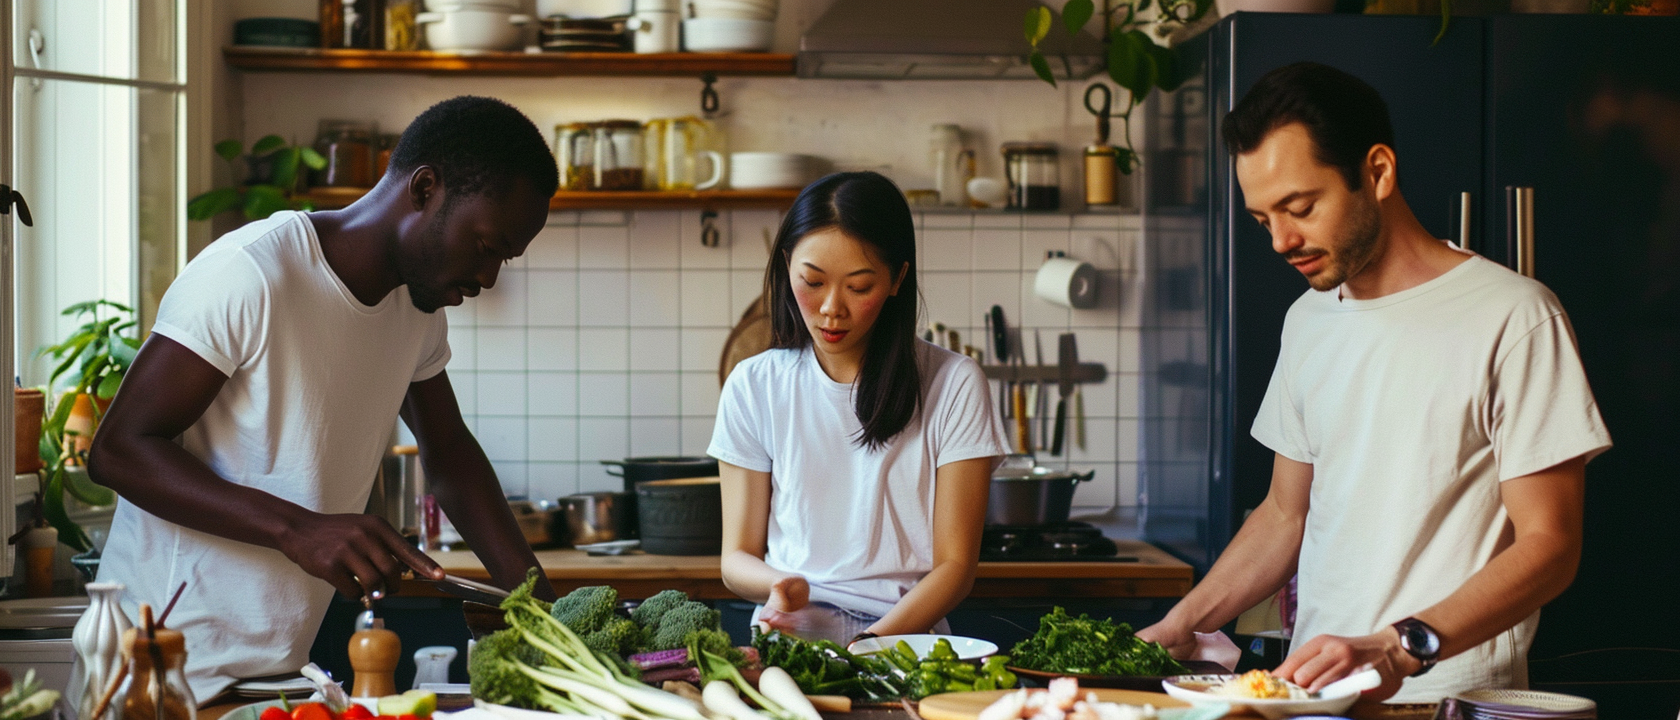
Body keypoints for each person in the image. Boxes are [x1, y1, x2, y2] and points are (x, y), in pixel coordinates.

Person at [1136, 63, 1612, 704]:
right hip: (1308, 698)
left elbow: (1551, 543)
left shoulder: (1514, 316)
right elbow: (1285, 514)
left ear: (1378, 172)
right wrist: (1184, 621)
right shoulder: (1308, 320)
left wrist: (1397, 645)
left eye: (1300, 207)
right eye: (1262, 220)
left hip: (1448, 701)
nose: (1281, 240)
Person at [86, 96, 561, 703]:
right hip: (156, 673)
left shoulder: (418, 310)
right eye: (487, 246)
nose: (489, 277)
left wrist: (548, 611)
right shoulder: (252, 271)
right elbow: (119, 450)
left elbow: (451, 458)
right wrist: (298, 529)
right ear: (425, 188)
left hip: (279, 677)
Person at [708, 172, 1008, 645]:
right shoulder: (754, 385)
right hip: (791, 630)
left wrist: (869, 643)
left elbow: (956, 566)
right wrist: (779, 586)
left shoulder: (953, 384)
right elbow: (735, 559)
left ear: (897, 280)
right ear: (787, 266)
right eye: (812, 281)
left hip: (905, 637)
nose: (831, 308)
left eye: (859, 286)